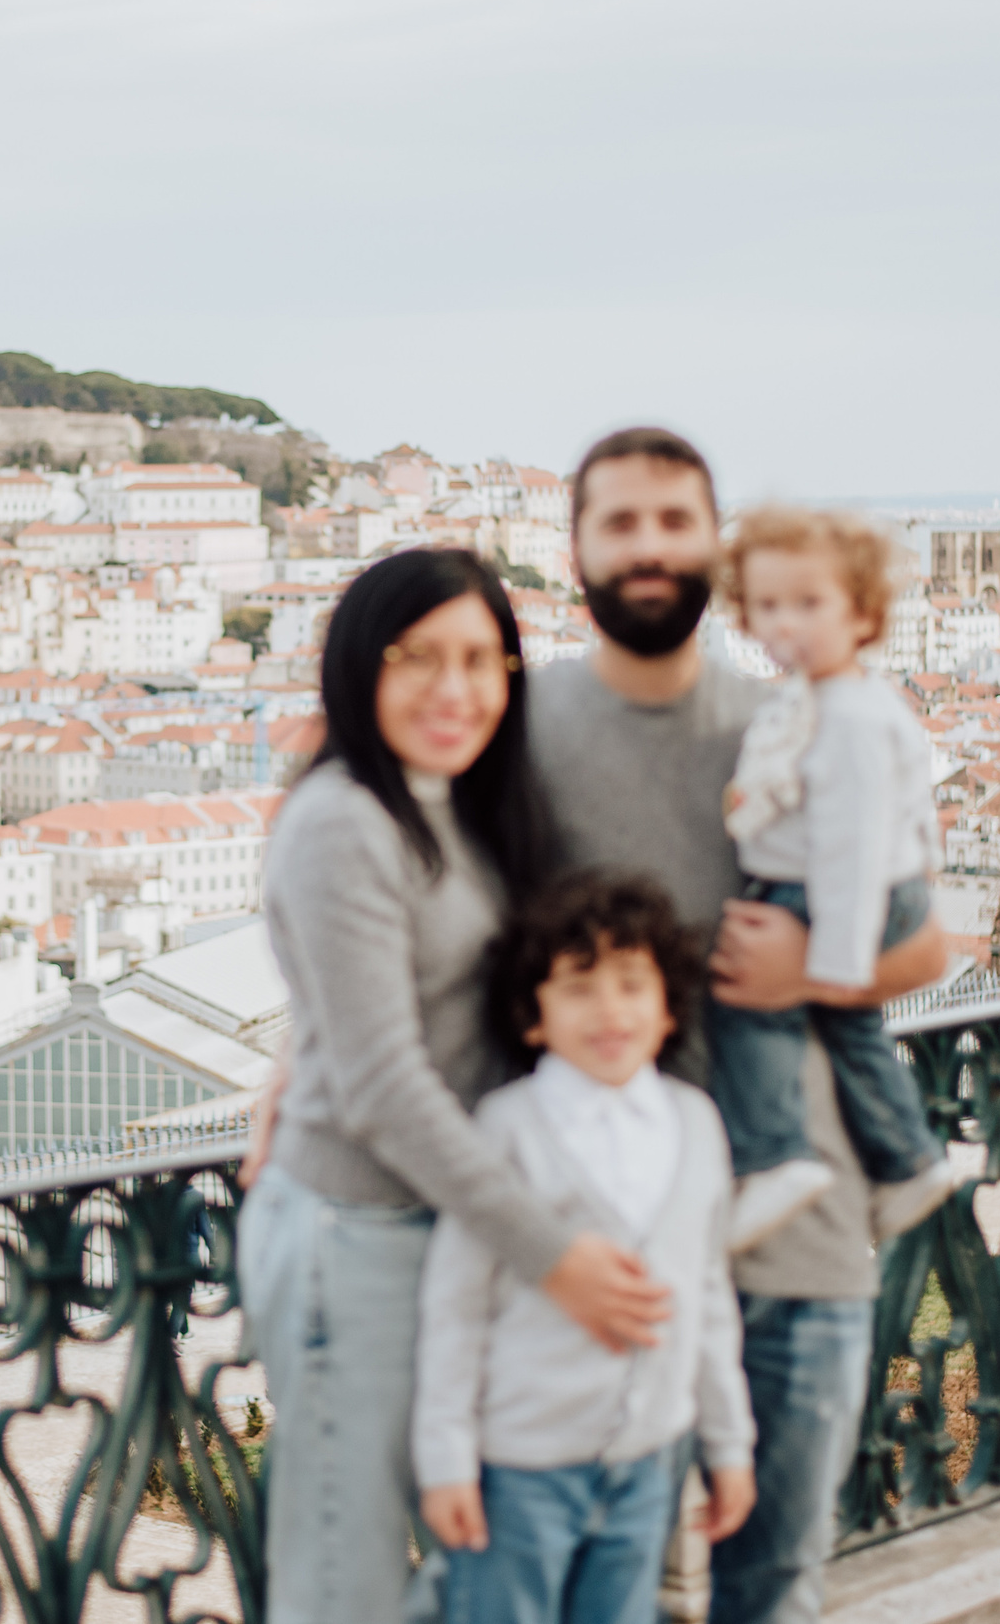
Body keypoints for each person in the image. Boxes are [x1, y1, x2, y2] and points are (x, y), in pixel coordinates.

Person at [521, 428, 949, 1624]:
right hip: (614, 1243)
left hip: (801, 1229)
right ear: (575, 551)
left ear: (716, 549)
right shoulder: (527, 726)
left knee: (775, 1584)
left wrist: (815, 969)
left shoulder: (801, 718)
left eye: (675, 521)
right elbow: (450, 932)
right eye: (621, 522)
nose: (650, 547)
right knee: (600, 1590)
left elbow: (926, 939)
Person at [244, 547, 670, 1624]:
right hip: (358, 1229)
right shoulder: (345, 818)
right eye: (417, 656)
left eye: (481, 660)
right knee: (343, 1568)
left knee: (468, 1549)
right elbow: (386, 1081)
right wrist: (553, 1250)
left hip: (436, 1229)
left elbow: (393, 1011)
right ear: (357, 667)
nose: (453, 688)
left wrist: (302, 1050)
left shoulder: (459, 807)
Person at [415, 873, 755, 1624]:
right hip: (522, 1465)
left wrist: (728, 1442)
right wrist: (445, 1458)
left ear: (667, 1008)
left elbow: (707, 1296)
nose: (609, 1010)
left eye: (632, 984)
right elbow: (455, 1304)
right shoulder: (507, 1127)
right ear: (532, 1016)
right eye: (579, 986)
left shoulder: (695, 1122)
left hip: (649, 1457)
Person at [707, 505, 959, 1251]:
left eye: (809, 604)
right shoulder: (821, 698)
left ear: (863, 613)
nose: (788, 624)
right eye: (769, 605)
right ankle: (907, 1160)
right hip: (855, 886)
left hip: (840, 893)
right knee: (853, 1034)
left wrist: (835, 968)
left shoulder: (847, 716)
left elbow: (853, 846)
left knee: (747, 1001)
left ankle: (775, 1155)